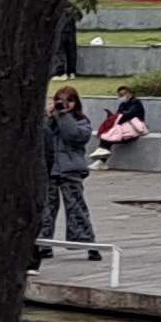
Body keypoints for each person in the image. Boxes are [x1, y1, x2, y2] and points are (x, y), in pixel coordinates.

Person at [39, 81, 98, 253]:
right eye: (59, 100)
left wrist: (62, 115)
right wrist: (46, 116)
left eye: (69, 100)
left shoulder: (81, 122)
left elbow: (73, 135)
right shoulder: (50, 120)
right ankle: (43, 244)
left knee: (76, 207)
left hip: (71, 169)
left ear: (76, 102)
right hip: (49, 169)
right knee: (46, 209)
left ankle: (84, 241)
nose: (64, 104)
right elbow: (40, 135)